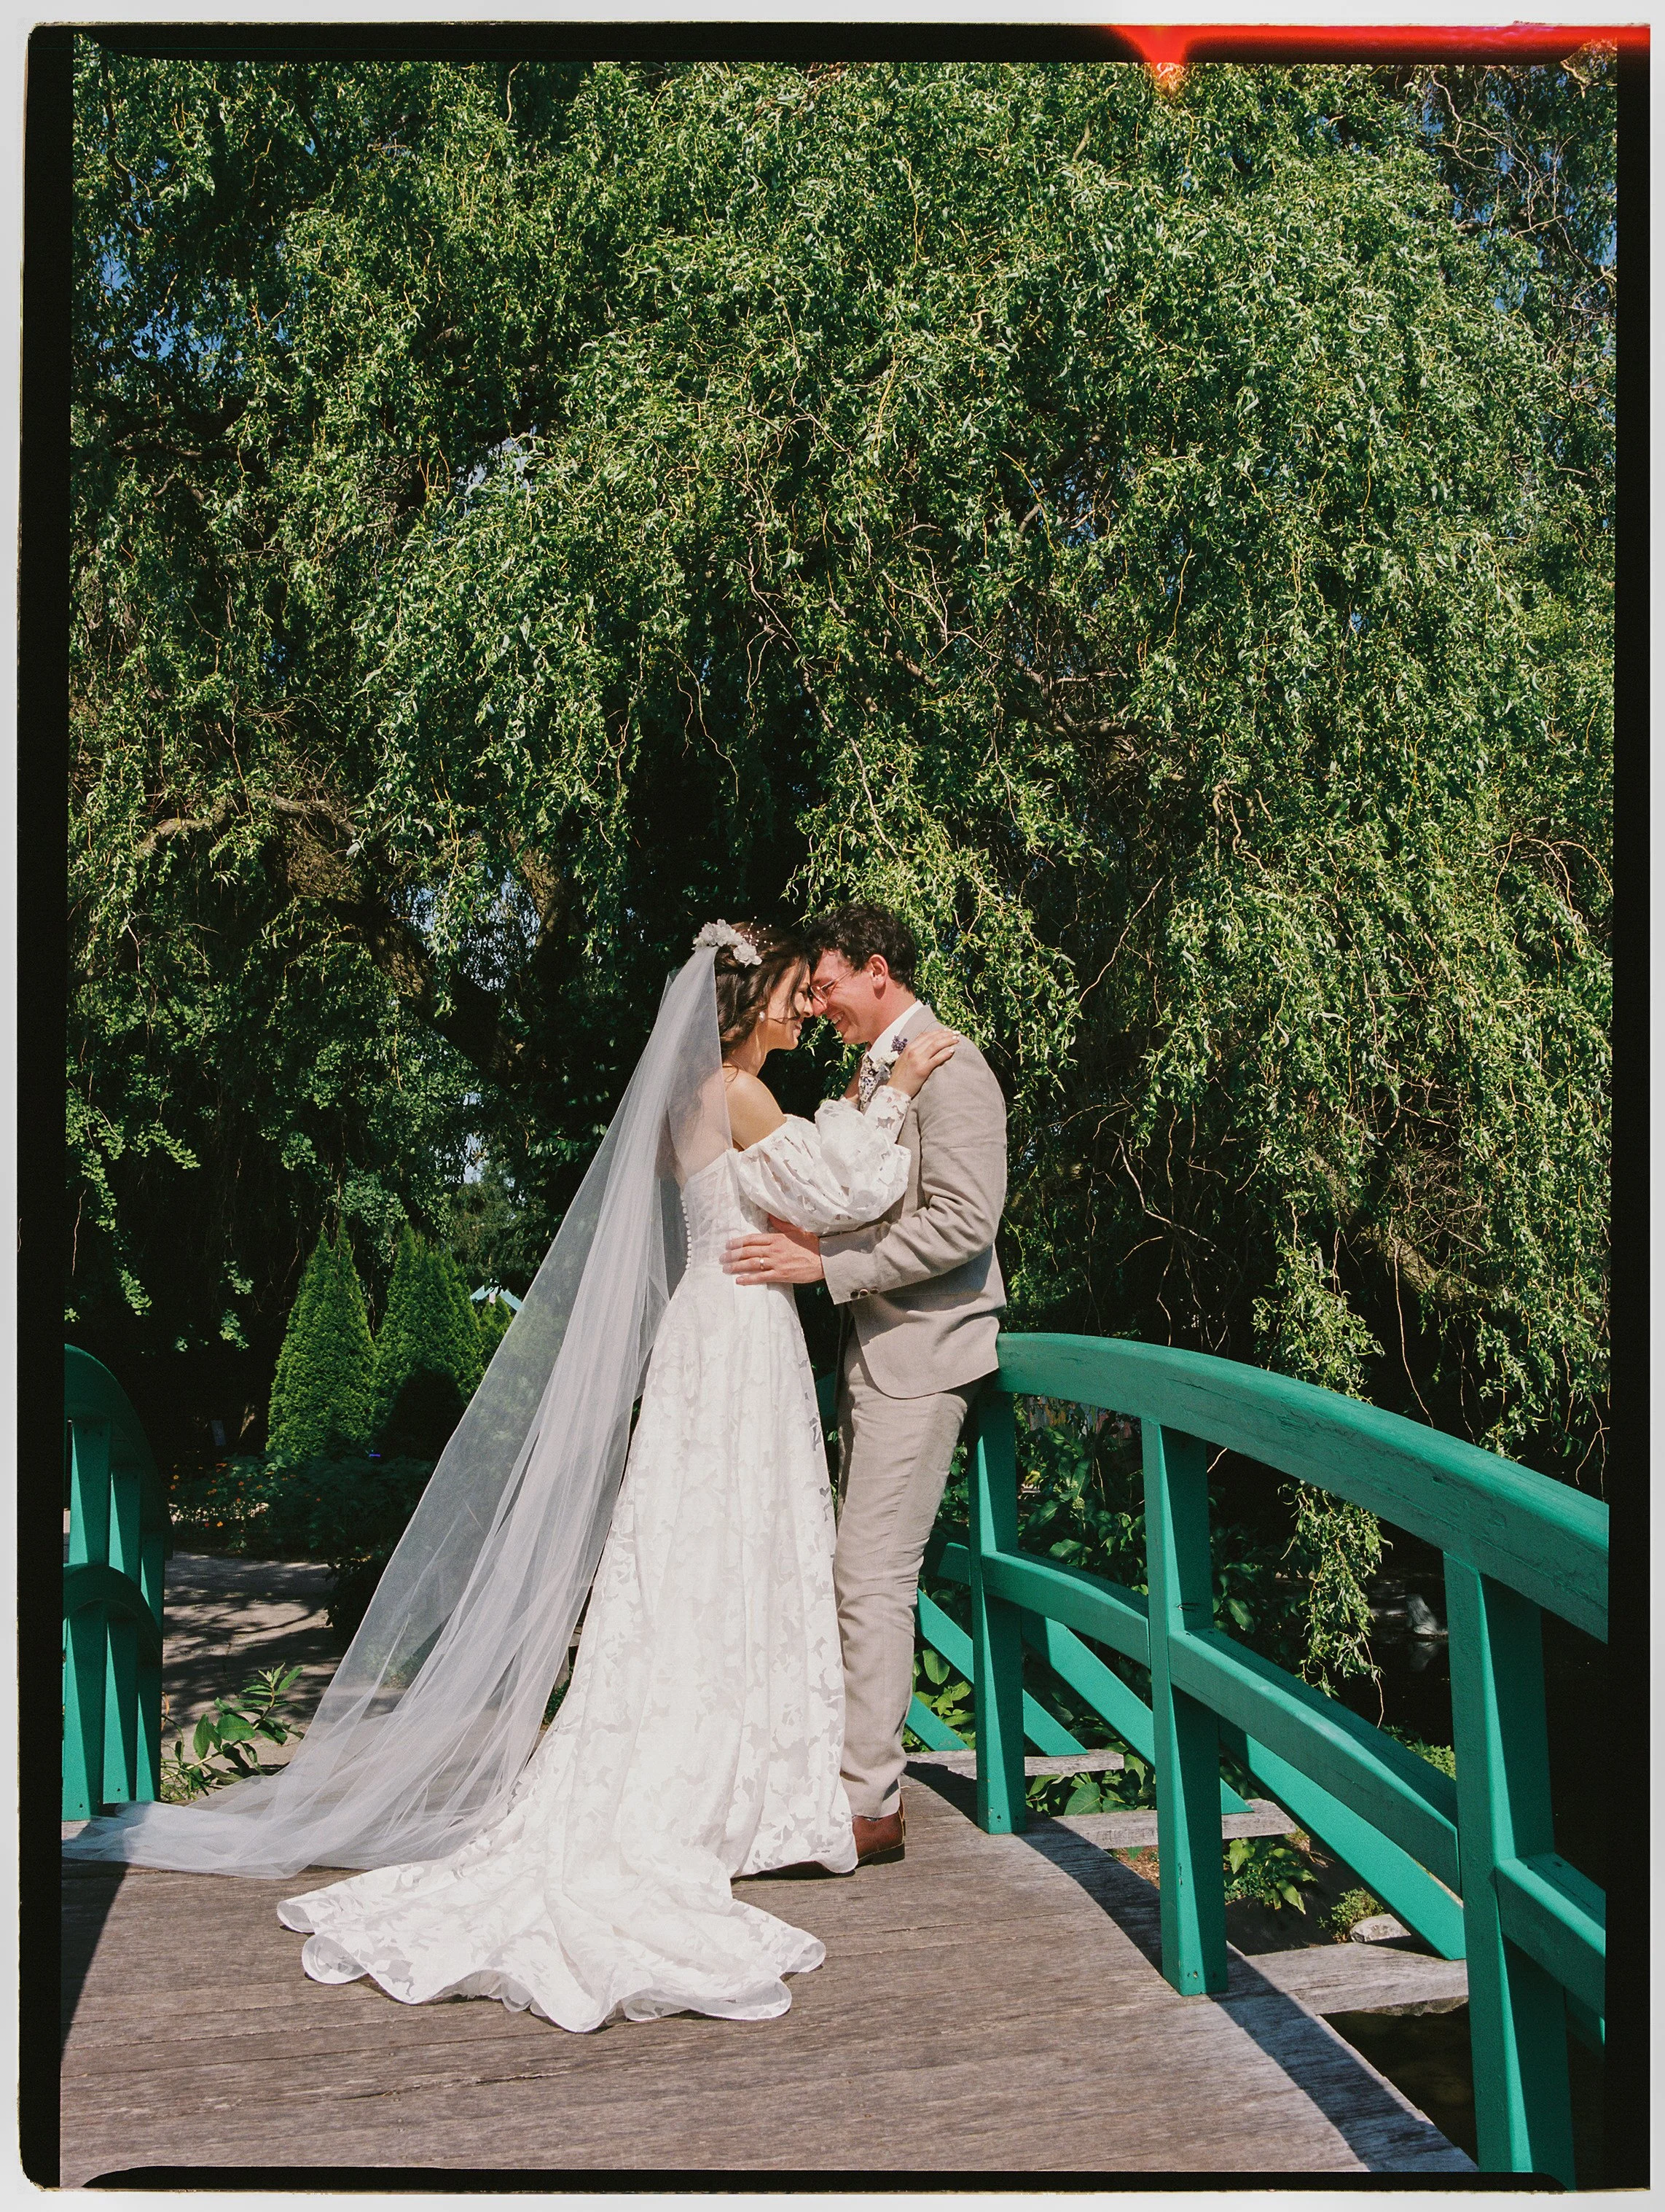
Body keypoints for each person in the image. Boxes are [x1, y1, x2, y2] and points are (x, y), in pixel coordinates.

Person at [67, 919, 955, 2034]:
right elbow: (839, 1189)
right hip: (735, 1343)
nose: (800, 1008)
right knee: (729, 1543)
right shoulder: (735, 1093)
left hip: (714, 1338)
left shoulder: (704, 1099)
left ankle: (731, 1759)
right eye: (788, 992)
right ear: (744, 1006)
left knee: (703, 1550)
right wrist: (895, 1086)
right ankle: (732, 1778)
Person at [722, 902, 1008, 1867]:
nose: (816, 999)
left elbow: (965, 1223)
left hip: (927, 1356)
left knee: (870, 1574)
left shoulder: (954, 1066)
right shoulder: (882, 1068)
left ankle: (867, 1805)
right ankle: (846, 1780)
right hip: (878, 1353)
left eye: (827, 982)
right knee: (855, 1571)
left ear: (876, 969)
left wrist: (827, 1267)